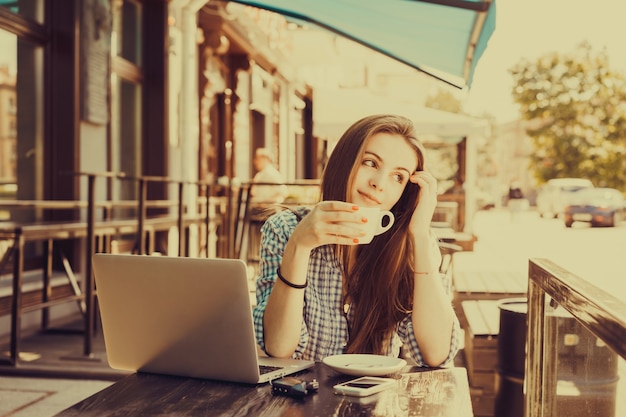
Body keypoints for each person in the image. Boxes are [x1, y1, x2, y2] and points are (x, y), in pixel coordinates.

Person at [253, 114, 460, 367]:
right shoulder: (285, 229)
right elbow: (279, 348)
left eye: (398, 177)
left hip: (373, 401)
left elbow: (437, 354)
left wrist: (418, 234)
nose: (379, 183)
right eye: (370, 163)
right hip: (298, 399)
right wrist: (300, 246)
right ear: (345, 161)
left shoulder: (411, 245)